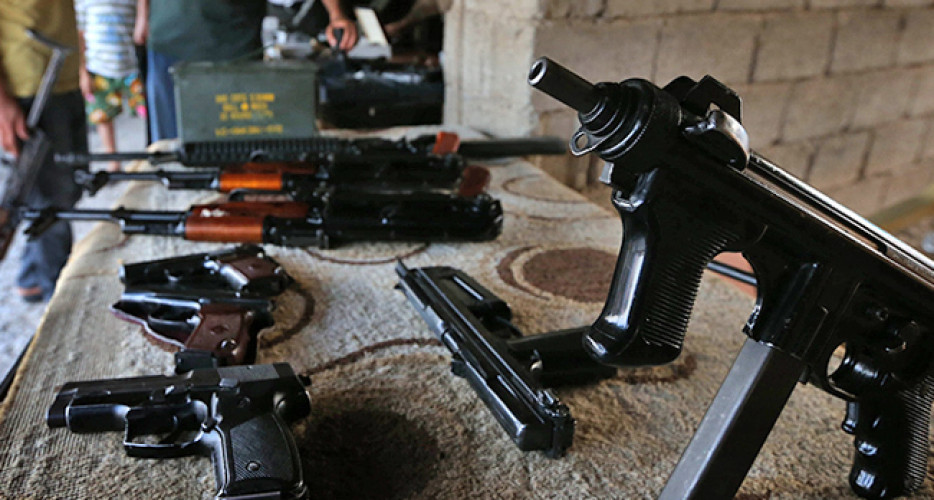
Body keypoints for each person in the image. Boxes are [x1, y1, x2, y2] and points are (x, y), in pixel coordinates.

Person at [140, 0, 358, 142]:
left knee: (233, 152)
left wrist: (336, 15)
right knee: (168, 148)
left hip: (233, 50)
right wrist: (142, 15)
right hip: (166, 42)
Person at [0, 1, 88, 302]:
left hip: (62, 74)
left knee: (67, 190)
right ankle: (58, 301)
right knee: (52, 205)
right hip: (27, 84)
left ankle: (32, 276)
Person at [75, 0, 147, 172]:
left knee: (146, 110)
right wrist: (83, 72)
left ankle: (149, 155)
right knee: (103, 117)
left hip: (131, 67)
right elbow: (79, 36)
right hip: (98, 69)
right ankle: (112, 159)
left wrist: (142, 18)